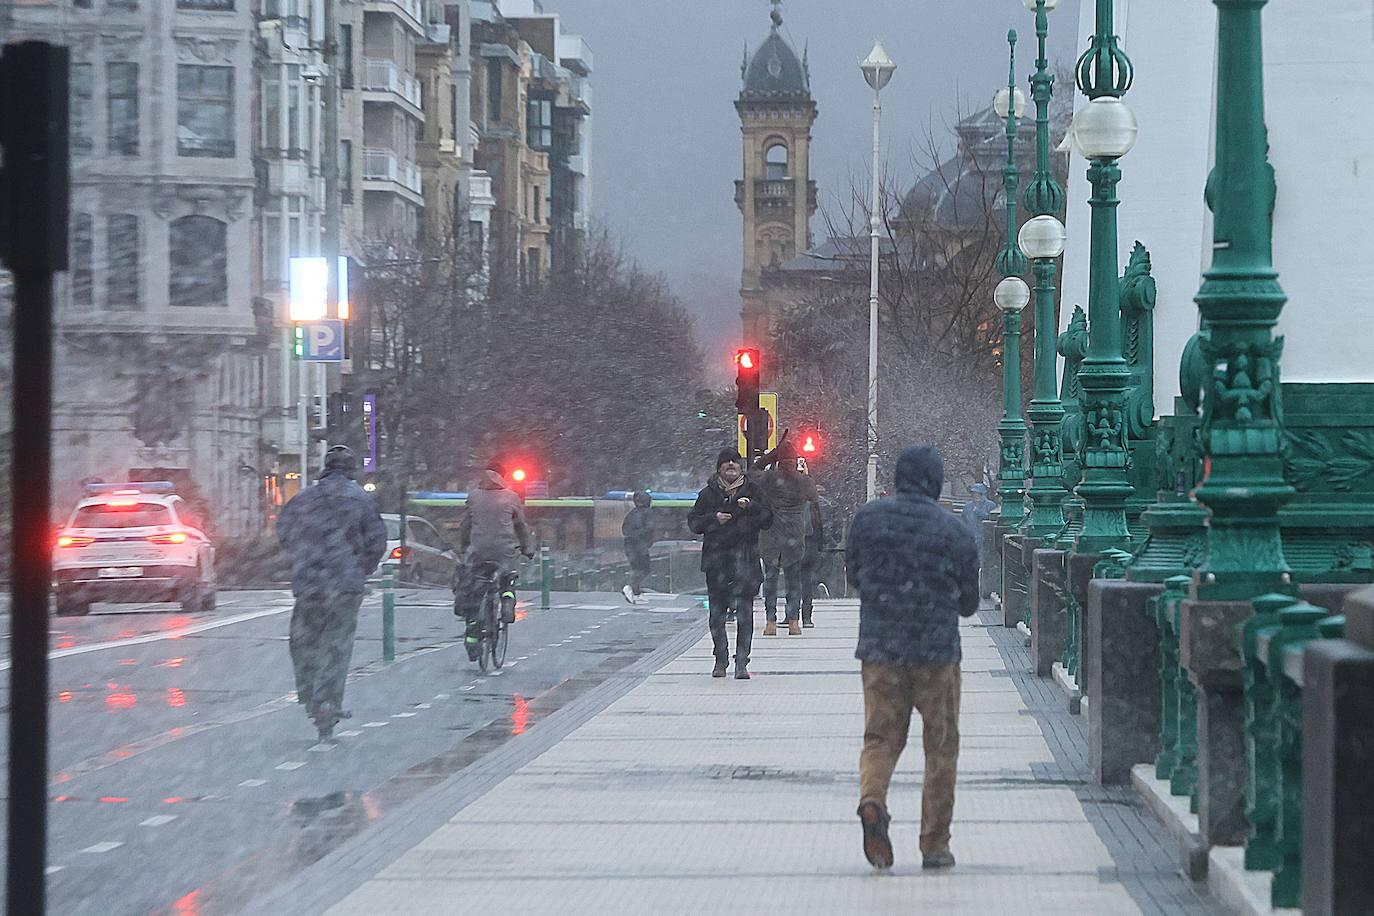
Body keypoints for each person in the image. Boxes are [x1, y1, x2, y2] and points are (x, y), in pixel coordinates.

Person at [845, 445, 979, 871]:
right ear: (936, 482)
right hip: (936, 654)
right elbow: (969, 604)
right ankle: (935, 844)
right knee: (940, 748)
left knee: (880, 739)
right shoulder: (954, 531)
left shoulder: (867, 520)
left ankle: (872, 799)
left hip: (880, 650)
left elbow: (854, 577)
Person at [277, 445, 389, 741]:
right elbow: (377, 541)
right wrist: (359, 567)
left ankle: (310, 691)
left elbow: (284, 533)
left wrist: (303, 558)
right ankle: (328, 699)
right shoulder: (362, 501)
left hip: (310, 583)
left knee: (304, 641)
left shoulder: (303, 499)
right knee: (337, 645)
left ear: (324, 468)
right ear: (350, 470)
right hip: (344, 585)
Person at [688, 448, 772, 680]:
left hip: (745, 560)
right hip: (717, 562)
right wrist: (714, 519)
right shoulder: (708, 494)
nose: (731, 466)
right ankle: (720, 658)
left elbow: (767, 519)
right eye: (726, 463)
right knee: (717, 614)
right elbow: (694, 523)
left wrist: (751, 508)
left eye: (734, 463)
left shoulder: (753, 492)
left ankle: (742, 661)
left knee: (745, 613)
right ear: (719, 468)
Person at [456, 461, 534, 659]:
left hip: (478, 552)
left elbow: (465, 526)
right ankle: (507, 601)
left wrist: (465, 548)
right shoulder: (511, 497)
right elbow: (521, 527)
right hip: (504, 552)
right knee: (507, 579)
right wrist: (528, 549)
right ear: (502, 477)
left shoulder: (473, 496)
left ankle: (473, 635)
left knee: (474, 591)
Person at [755, 437, 819, 636]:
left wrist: (767, 458)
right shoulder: (804, 482)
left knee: (771, 580)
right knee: (794, 580)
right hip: (795, 534)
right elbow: (814, 497)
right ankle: (793, 621)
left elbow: (750, 474)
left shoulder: (768, 479)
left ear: (779, 459)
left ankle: (771, 621)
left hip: (771, 534)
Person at [797, 466, 825, 628]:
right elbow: (818, 523)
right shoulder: (812, 501)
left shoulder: (788, 497)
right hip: (809, 543)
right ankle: (806, 616)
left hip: (796, 543)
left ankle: (792, 615)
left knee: (794, 580)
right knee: (806, 581)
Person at [621, 491, 656, 604]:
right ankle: (630, 587)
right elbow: (650, 528)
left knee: (636, 568)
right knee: (644, 569)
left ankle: (636, 593)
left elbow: (624, 530)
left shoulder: (632, 513)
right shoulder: (648, 513)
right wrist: (646, 539)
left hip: (629, 545)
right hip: (640, 546)